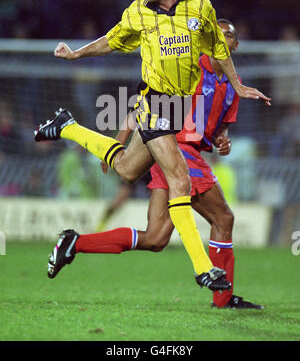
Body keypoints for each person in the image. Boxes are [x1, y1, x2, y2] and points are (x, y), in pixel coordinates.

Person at [34, 0, 271, 291]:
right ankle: (203, 268)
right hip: (155, 102)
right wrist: (75, 54)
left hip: (175, 108)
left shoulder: (201, 7)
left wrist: (238, 84)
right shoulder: (137, 12)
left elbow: (219, 50)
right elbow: (111, 40)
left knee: (128, 170)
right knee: (180, 181)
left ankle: (67, 126)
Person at [93, 19, 263, 309]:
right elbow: (142, 105)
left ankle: (74, 243)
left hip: (183, 154)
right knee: (223, 219)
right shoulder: (191, 68)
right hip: (176, 150)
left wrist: (224, 142)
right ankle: (222, 297)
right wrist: (117, 143)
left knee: (156, 238)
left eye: (228, 36)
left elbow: (220, 131)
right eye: (216, 35)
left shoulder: (234, 88)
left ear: (234, 44)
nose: (221, 40)